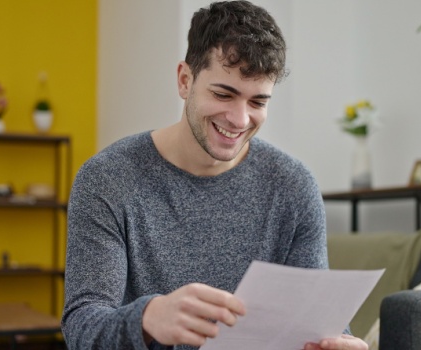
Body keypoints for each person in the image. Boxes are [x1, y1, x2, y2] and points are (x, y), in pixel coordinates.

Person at [62, 1, 369, 349]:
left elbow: (315, 321)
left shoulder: (293, 186)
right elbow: (82, 328)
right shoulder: (108, 179)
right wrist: (148, 317)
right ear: (184, 80)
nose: (240, 120)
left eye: (258, 102)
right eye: (224, 94)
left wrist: (337, 341)